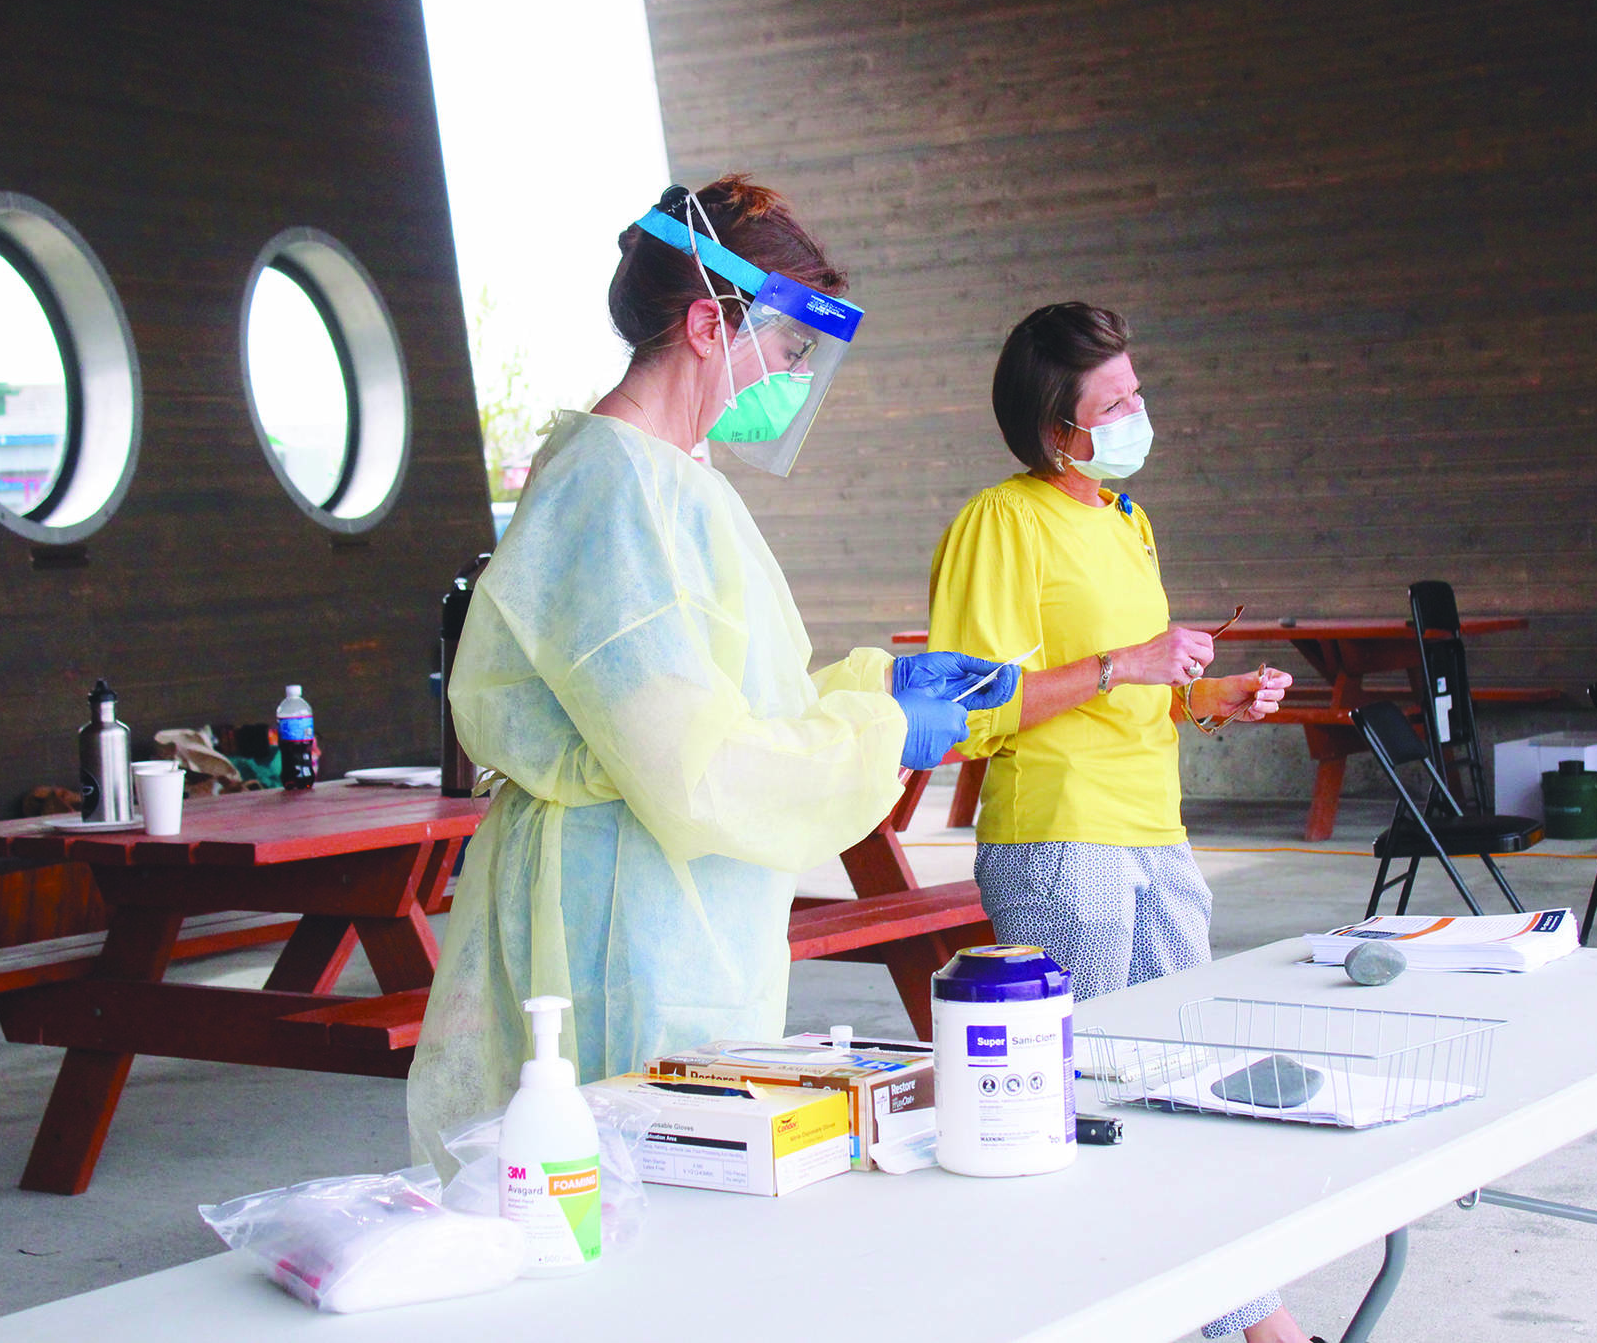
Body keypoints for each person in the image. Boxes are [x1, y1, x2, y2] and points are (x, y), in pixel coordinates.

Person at [407, 177, 1015, 1166]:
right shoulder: (616, 490)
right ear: (705, 324)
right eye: (785, 349)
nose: (787, 375)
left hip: (670, 900)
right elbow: (693, 766)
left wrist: (870, 693)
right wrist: (883, 734)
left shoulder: (667, 478)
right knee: (634, 1185)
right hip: (625, 909)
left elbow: (720, 704)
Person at [927, 303, 1315, 1343]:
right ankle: (1242, 1324)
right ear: (1058, 425)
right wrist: (1126, 664)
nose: (1139, 413)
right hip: (1060, 840)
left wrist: (1205, 696)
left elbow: (1128, 688)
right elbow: (968, 709)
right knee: (1095, 1104)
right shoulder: (999, 522)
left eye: (1137, 392)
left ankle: (1244, 1318)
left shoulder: (1122, 516)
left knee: (1183, 1088)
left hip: (1154, 829)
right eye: (1114, 403)